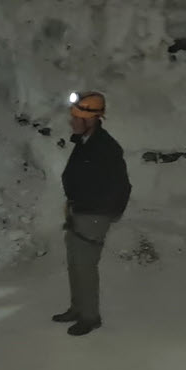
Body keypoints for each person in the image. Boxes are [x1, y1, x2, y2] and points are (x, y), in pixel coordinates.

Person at [53, 91, 131, 336]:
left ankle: (90, 317)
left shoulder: (106, 148)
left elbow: (122, 186)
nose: (72, 121)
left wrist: (104, 214)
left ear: (91, 120)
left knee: (85, 266)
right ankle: (77, 308)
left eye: (77, 118)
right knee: (75, 264)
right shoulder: (85, 142)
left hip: (93, 215)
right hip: (80, 211)